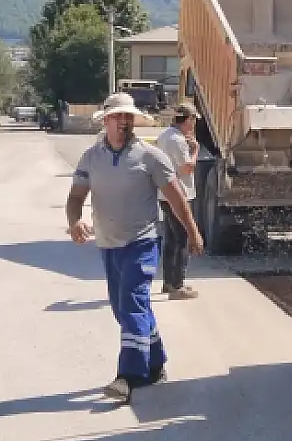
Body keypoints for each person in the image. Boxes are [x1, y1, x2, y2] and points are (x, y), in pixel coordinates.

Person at [66, 91, 204, 403]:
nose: (125, 122)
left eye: (129, 117)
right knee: (124, 308)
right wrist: (75, 221)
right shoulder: (91, 158)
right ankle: (156, 363)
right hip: (108, 244)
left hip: (141, 242)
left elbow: (176, 196)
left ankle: (128, 375)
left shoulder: (150, 156)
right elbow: (75, 198)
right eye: (119, 117)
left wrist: (192, 231)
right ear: (106, 121)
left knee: (131, 302)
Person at [155, 103, 201, 299]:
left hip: (164, 195)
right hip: (178, 194)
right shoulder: (178, 140)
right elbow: (187, 168)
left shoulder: (165, 135)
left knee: (172, 240)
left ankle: (168, 282)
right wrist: (196, 149)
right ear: (188, 119)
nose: (194, 124)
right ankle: (178, 285)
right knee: (182, 239)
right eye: (193, 120)